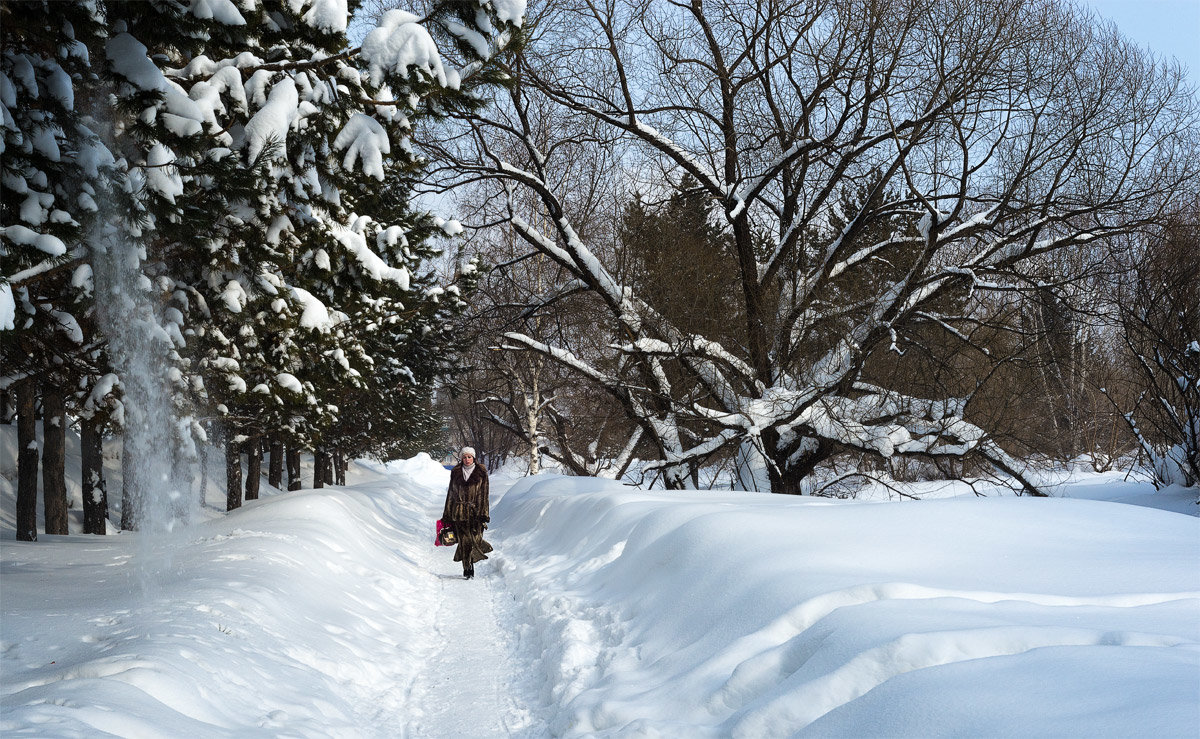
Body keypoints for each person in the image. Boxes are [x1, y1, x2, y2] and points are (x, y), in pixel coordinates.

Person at [441, 446, 492, 579]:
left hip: (476, 513)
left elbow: (484, 495)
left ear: (473, 458)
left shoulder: (481, 473)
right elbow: (450, 494)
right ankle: (467, 567)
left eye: (469, 457)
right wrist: (447, 514)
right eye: (464, 457)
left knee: (475, 540)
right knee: (464, 542)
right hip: (459, 513)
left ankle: (472, 561)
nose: (467, 459)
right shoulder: (456, 472)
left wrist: (484, 514)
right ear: (461, 458)